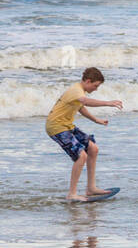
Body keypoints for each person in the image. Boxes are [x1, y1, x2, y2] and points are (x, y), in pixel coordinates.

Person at [45, 66, 123, 201]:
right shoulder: (76, 90)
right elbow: (85, 102)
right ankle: (72, 194)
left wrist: (96, 120)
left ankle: (91, 188)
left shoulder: (79, 92)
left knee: (93, 148)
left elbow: (81, 108)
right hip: (56, 127)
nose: (96, 89)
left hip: (67, 126)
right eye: (95, 86)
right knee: (81, 156)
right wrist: (108, 103)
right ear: (87, 81)